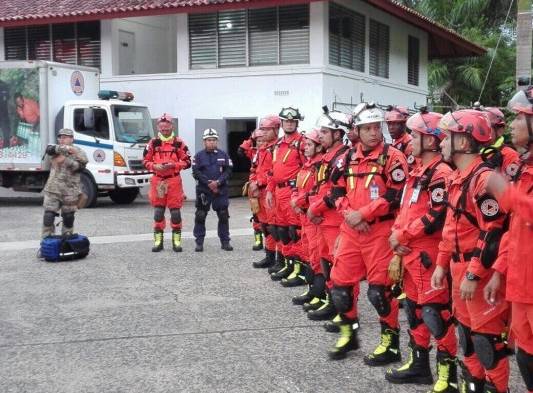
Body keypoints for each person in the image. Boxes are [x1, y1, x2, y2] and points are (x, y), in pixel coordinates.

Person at [431, 110, 510, 393]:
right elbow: (451, 229)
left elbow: (493, 233)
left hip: (478, 273)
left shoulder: (484, 179)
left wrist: (474, 274)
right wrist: (441, 264)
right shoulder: (457, 177)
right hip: (457, 268)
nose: (440, 142)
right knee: (466, 336)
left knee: (486, 343)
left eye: (446, 137)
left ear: (463, 142)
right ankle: (473, 385)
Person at [327, 105, 408, 363]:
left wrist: (365, 214)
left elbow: (396, 196)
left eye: (377, 127)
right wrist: (350, 214)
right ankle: (349, 334)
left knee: (379, 293)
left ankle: (390, 344)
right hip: (351, 230)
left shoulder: (393, 157)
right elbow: (335, 190)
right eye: (368, 129)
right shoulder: (345, 158)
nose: (374, 133)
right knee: (340, 289)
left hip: (380, 233)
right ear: (357, 131)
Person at [384, 109, 458, 392]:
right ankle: (419, 365)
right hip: (409, 253)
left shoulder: (440, 174)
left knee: (435, 315)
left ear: (430, 140)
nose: (410, 139)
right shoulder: (417, 171)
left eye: (415, 135)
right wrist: (396, 237)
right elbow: (406, 210)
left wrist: (403, 234)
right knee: (415, 311)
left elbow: (437, 215)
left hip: (427, 255)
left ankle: (447, 375)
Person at [484, 86, 533, 393]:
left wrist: (506, 193)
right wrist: (498, 272)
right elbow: (514, 229)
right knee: (527, 361)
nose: (513, 125)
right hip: (519, 286)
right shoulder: (525, 168)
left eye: (520, 118)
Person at [305, 109, 351, 321]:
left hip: (335, 221)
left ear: (338, 134)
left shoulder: (343, 158)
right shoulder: (327, 157)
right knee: (326, 262)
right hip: (324, 220)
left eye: (325, 131)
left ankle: (346, 311)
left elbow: (336, 193)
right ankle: (333, 302)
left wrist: (315, 208)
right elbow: (320, 187)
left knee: (340, 266)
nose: (320, 135)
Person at [267, 107, 306, 282]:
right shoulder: (277, 144)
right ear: (281, 123)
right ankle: (288, 265)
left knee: (294, 232)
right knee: (281, 231)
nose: (289, 123)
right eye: (286, 121)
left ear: (296, 123)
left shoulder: (302, 143)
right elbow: (272, 170)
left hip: (292, 193)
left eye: (292, 121)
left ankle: (299, 270)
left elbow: (308, 168)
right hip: (277, 192)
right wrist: (269, 190)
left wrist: (300, 195)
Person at [143, 113, 191, 252]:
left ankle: (176, 241)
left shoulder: (179, 143)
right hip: (158, 180)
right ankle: (158, 241)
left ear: (171, 125)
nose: (164, 128)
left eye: (167, 125)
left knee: (175, 212)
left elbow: (188, 162)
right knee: (158, 212)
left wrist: (174, 165)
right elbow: (145, 161)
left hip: (174, 180)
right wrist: (154, 166)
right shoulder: (152, 143)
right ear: (158, 126)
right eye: (161, 126)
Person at [41, 128, 88, 238]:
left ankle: (67, 239)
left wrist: (67, 161)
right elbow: (49, 149)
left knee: (68, 217)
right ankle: (47, 240)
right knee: (48, 216)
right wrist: (64, 149)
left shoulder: (79, 152)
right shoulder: (56, 149)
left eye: (65, 137)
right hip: (53, 189)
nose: (62, 139)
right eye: (60, 137)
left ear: (72, 139)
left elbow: (81, 166)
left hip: (70, 191)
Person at [192, 128, 233, 252]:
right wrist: (208, 182)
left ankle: (225, 242)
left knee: (223, 215)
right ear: (204, 141)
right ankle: (199, 242)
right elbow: (196, 171)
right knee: (200, 215)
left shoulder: (223, 155)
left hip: (220, 190)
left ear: (217, 141)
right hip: (204, 190)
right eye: (209, 140)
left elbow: (228, 170)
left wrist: (218, 182)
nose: (211, 142)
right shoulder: (198, 156)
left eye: (214, 140)